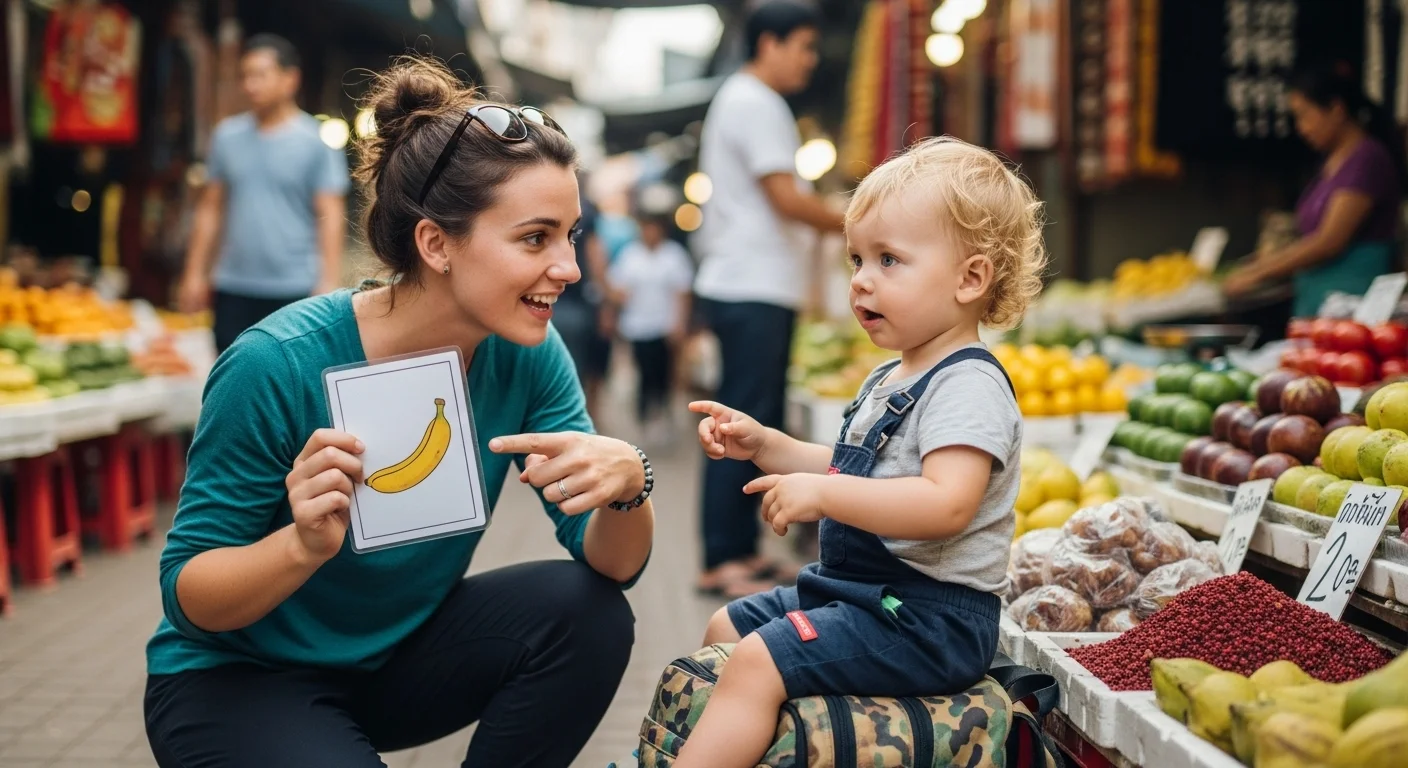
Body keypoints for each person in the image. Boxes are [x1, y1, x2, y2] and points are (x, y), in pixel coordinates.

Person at [143, 57, 655, 768]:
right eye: (536, 238)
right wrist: (300, 546)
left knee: (587, 612)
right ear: (436, 243)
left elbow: (612, 566)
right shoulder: (276, 362)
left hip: (391, 666)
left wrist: (632, 484)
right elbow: (187, 595)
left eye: (570, 235)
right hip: (237, 681)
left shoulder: (527, 351)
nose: (569, 268)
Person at [676, 137, 1043, 767]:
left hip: (928, 621)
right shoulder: (892, 377)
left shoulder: (968, 384)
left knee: (759, 661)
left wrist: (823, 495)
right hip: (862, 595)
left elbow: (945, 504)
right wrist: (766, 444)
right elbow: (851, 468)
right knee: (727, 629)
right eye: (856, 260)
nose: (861, 281)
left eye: (889, 260)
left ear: (970, 278)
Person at [693, 0, 846, 598]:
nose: (810, 61)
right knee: (738, 425)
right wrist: (860, 222)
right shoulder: (756, 102)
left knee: (746, 419)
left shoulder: (746, 99)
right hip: (750, 286)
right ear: (770, 44)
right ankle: (723, 557)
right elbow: (787, 199)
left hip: (752, 285)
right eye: (804, 46)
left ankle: (741, 553)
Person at [178, 33, 350, 352]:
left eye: (260, 75)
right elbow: (210, 208)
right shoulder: (226, 137)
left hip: (294, 288)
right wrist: (195, 273)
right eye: (245, 76)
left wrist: (327, 283)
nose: (250, 85)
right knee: (231, 378)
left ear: (290, 80)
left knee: (289, 383)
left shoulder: (315, 141)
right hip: (232, 285)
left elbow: (330, 216)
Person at [1223, 62, 1407, 317]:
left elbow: (1329, 241)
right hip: (1315, 305)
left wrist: (1258, 273)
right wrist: (1257, 263)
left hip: (1352, 309)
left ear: (1336, 109)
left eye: (1305, 115)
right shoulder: (1331, 162)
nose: (1301, 128)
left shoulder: (1367, 159)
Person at [608, 212, 695, 444]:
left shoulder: (674, 256)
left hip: (663, 326)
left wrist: (679, 323)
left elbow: (682, 292)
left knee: (664, 373)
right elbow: (618, 288)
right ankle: (645, 416)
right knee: (644, 373)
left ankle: (663, 414)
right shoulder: (630, 256)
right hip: (637, 326)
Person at [552, 190, 614, 419]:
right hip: (575, 306)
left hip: (558, 304)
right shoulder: (584, 208)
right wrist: (608, 301)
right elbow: (596, 256)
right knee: (577, 371)